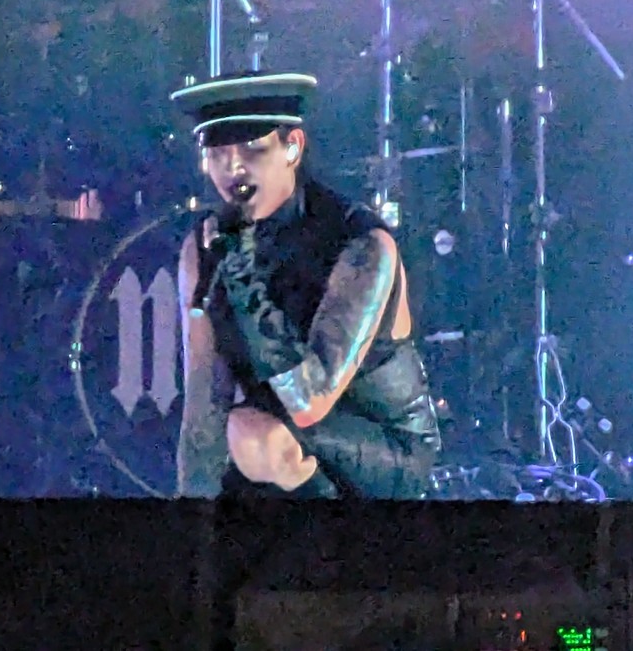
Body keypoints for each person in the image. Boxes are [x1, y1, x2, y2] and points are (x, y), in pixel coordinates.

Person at [171, 71, 441, 499]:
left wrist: (244, 281)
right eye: (218, 153)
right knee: (240, 443)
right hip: (278, 434)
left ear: (292, 147)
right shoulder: (205, 246)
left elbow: (310, 401)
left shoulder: (360, 244)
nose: (233, 167)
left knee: (253, 435)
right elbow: (205, 398)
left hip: (383, 444)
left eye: (253, 149)